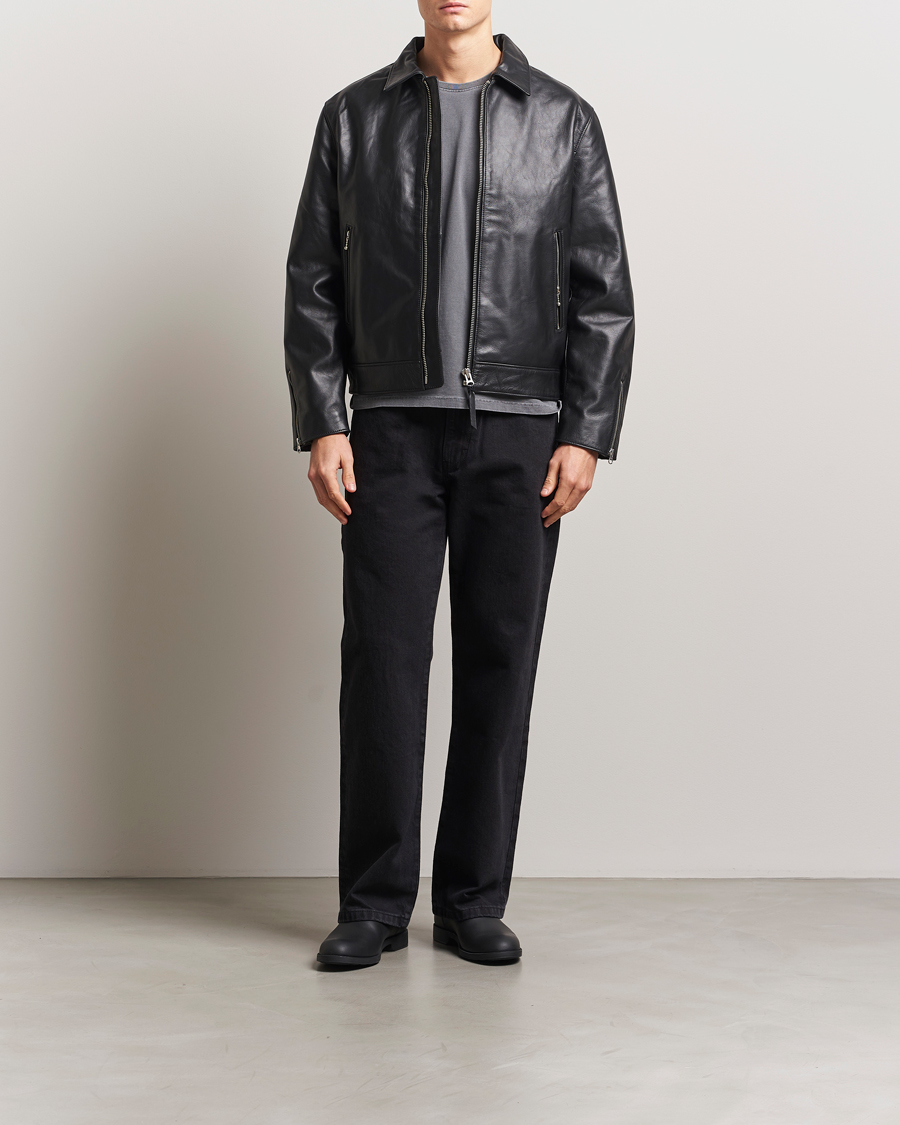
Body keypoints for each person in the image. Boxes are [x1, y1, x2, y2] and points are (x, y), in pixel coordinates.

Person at [285, 0, 634, 968]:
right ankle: (373, 904)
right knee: (383, 667)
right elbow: (312, 279)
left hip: (522, 431)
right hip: (390, 429)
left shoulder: (563, 120)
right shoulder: (354, 117)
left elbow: (604, 290)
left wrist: (586, 433)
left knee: (499, 664)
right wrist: (324, 419)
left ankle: (474, 899)